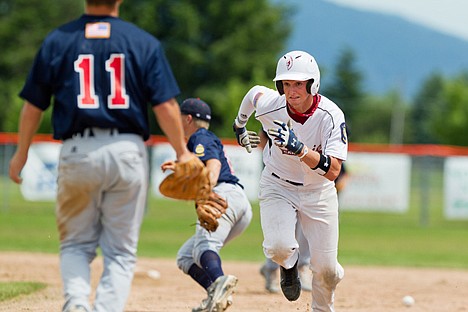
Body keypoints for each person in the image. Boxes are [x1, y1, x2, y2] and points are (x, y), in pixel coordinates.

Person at [9, 1, 193, 311]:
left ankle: (77, 305)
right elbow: (165, 106)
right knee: (120, 252)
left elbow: (33, 107)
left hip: (77, 150)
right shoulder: (142, 41)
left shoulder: (59, 40)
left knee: (76, 244)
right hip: (127, 151)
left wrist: (21, 154)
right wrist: (182, 152)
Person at [232, 50, 348, 311]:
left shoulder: (330, 115)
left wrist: (301, 150)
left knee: (327, 271)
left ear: (312, 84)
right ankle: (288, 266)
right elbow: (253, 95)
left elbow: (333, 171)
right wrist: (239, 126)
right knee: (279, 249)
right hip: (277, 184)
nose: (291, 90)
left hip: (318, 191)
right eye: (286, 83)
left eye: (298, 83)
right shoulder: (272, 104)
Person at [161, 98, 253, 312]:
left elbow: (213, 165)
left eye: (179, 117)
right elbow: (200, 166)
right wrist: (179, 167)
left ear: (188, 118)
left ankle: (220, 283)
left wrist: (206, 191)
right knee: (186, 256)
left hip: (222, 195)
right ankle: (216, 294)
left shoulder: (199, 137)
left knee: (204, 247)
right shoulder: (202, 139)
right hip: (237, 203)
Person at [256, 130, 312, 294]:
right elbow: (263, 134)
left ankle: (302, 267)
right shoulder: (278, 109)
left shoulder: (313, 116)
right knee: (279, 231)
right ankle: (272, 269)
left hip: (305, 183)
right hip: (278, 180)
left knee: (304, 228)